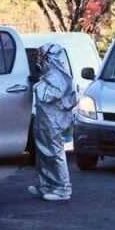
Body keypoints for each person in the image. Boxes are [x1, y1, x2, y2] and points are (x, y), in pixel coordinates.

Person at [27, 43, 77, 201]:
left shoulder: (57, 75)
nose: (39, 59)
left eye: (41, 56)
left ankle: (62, 188)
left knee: (54, 153)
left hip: (54, 121)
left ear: (49, 57)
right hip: (46, 119)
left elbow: (50, 95)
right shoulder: (51, 73)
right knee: (42, 152)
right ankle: (45, 185)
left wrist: (37, 85)